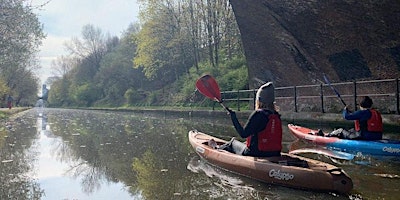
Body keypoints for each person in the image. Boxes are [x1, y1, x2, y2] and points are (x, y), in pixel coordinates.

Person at [226, 82, 282, 157]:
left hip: (255, 153)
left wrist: (233, 117)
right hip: (275, 153)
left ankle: (215, 149)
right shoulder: (276, 115)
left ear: (259, 100)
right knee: (244, 143)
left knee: (232, 143)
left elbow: (243, 134)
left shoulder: (258, 114)